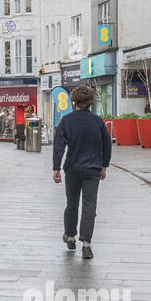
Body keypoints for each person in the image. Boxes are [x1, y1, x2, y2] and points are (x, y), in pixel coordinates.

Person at [52, 83, 111, 259]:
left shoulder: (67, 121)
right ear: (90, 102)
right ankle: (86, 243)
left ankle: (70, 235)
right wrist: (104, 166)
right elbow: (106, 146)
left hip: (73, 168)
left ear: (73, 101)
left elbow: (59, 146)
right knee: (89, 205)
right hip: (92, 169)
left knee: (72, 203)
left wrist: (56, 167)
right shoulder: (98, 122)